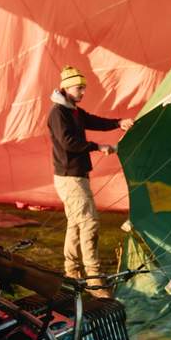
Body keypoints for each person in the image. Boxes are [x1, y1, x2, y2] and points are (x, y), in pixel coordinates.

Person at [47, 65, 133, 295]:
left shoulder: (72, 109)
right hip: (69, 177)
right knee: (89, 222)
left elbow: (94, 121)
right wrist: (98, 146)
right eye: (79, 88)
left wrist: (118, 122)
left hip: (77, 174)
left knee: (76, 224)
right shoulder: (59, 112)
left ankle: (72, 272)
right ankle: (94, 280)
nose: (83, 92)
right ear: (66, 87)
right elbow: (68, 142)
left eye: (84, 88)